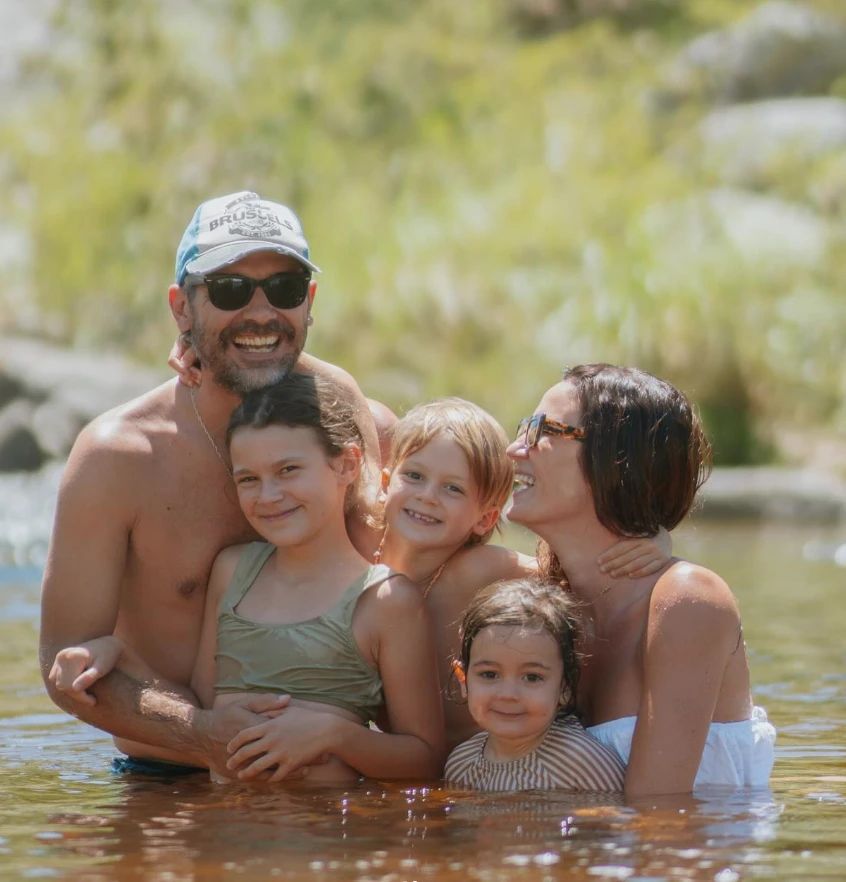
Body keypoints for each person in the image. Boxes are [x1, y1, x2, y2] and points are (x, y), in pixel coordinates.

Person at [39, 191, 386, 776]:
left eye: (284, 289)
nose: (260, 311)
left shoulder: (348, 417)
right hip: (171, 783)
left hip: (334, 781)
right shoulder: (118, 458)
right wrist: (199, 732)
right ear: (182, 309)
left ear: (309, 303)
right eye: (229, 290)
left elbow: (412, 581)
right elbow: (61, 665)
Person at [218, 397, 674, 780]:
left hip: (505, 771)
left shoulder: (485, 571)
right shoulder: (352, 550)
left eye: (453, 489)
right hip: (415, 772)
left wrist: (656, 538)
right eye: (414, 476)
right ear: (383, 483)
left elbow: (588, 576)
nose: (426, 497)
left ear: (485, 518)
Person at [49, 373, 445, 784]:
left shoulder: (387, 600)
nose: (268, 495)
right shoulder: (233, 572)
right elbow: (203, 709)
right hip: (225, 829)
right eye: (249, 479)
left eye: (288, 470)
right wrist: (119, 657)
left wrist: (334, 735)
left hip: (327, 834)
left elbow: (425, 760)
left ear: (347, 464)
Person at [505, 363, 776, 796]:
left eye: (544, 430)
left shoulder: (688, 601)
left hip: (667, 862)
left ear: (618, 461)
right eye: (524, 428)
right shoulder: (538, 598)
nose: (514, 449)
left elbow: (658, 818)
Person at [444, 578, 625, 791]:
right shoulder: (461, 764)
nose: (508, 694)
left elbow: (620, 822)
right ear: (463, 679)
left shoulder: (582, 763)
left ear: (565, 688)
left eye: (532, 677)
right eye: (490, 674)